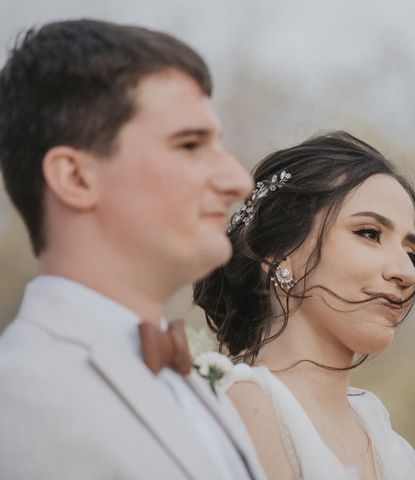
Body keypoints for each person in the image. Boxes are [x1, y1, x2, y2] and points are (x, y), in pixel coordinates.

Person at [0, 19, 266, 480]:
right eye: (189, 144)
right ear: (76, 177)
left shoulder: (195, 385)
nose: (238, 181)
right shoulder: (19, 397)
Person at [194, 131, 415, 479]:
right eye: (369, 233)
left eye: (413, 255)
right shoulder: (245, 408)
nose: (405, 272)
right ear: (280, 254)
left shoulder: (394, 447)